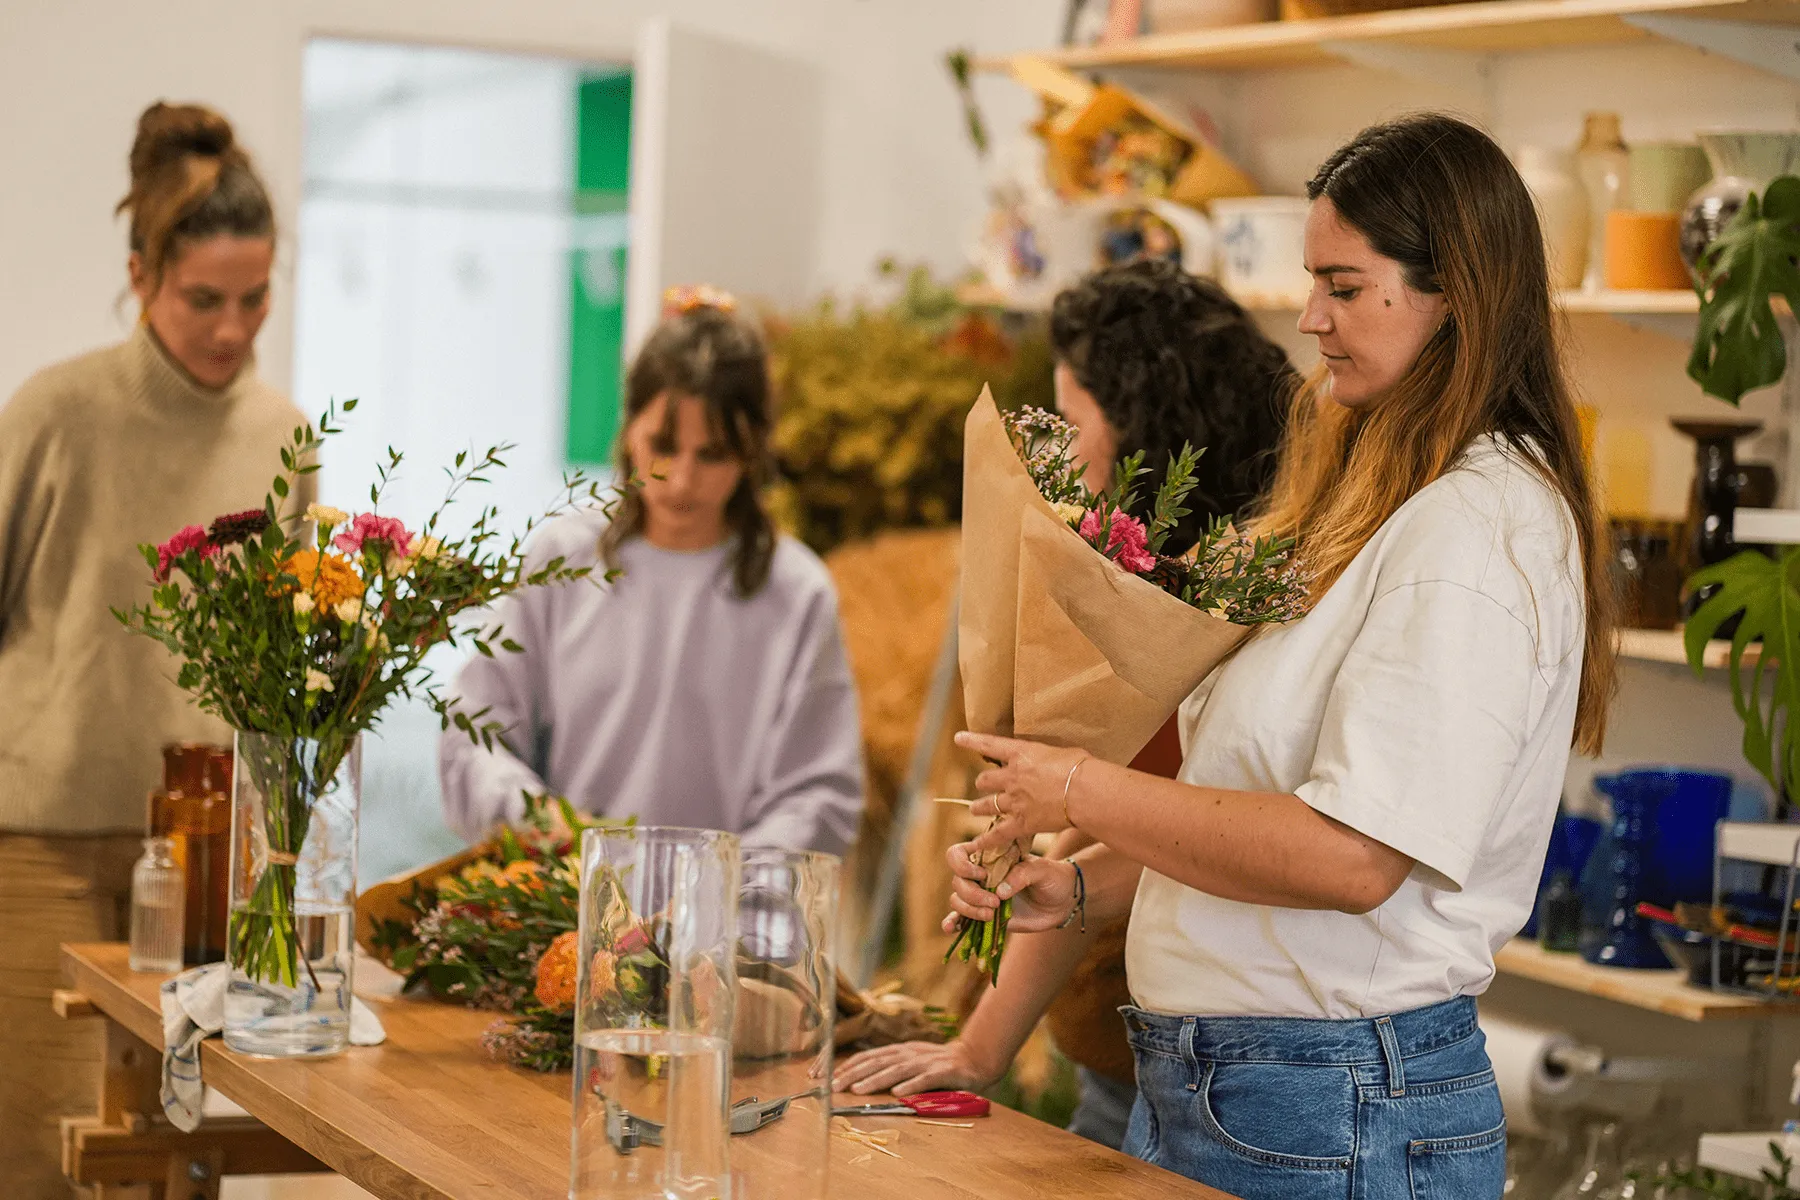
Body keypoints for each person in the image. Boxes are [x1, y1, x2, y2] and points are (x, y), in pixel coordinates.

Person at [880, 113, 1617, 1200]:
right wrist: (1074, 889)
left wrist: (1077, 786)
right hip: (1245, 1097)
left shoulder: (1475, 532)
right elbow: (1248, 810)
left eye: (1346, 285)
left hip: (1338, 1111)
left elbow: (1352, 857)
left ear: (1455, 290)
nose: (1311, 316)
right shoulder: (1370, 498)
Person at [834, 259, 1294, 1150]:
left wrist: (981, 1041)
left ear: (1149, 432)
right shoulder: (1140, 584)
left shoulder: (1230, 609)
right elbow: (1100, 841)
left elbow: (1136, 834)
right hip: (1125, 1062)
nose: (1057, 459)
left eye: (1072, 421)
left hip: (1220, 1079)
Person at [0, 102, 310, 1197]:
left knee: (174, 1169)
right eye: (203, 300)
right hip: (38, 853)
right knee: (41, 1160)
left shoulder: (285, 440)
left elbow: (291, 669)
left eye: (255, 299)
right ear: (140, 276)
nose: (232, 328)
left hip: (209, 869)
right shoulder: (51, 414)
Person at [439, 292, 864, 856]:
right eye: (663, 446)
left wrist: (713, 889)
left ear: (752, 454)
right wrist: (542, 819)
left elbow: (819, 793)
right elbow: (475, 733)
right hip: (562, 911)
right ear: (628, 428)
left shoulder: (796, 592)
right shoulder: (561, 559)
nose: (683, 479)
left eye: (712, 454)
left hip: (725, 932)